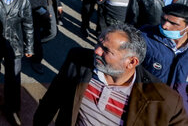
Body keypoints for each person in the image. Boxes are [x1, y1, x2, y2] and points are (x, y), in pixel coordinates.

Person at [33, 23, 188, 126]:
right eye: (98, 43)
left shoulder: (166, 100)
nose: (96, 51)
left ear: (132, 62)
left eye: (106, 50)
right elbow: (51, 101)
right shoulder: (78, 61)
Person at [141, 3, 188, 112]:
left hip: (179, 110)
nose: (164, 25)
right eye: (163, 19)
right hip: (147, 104)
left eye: (173, 23)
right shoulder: (145, 36)